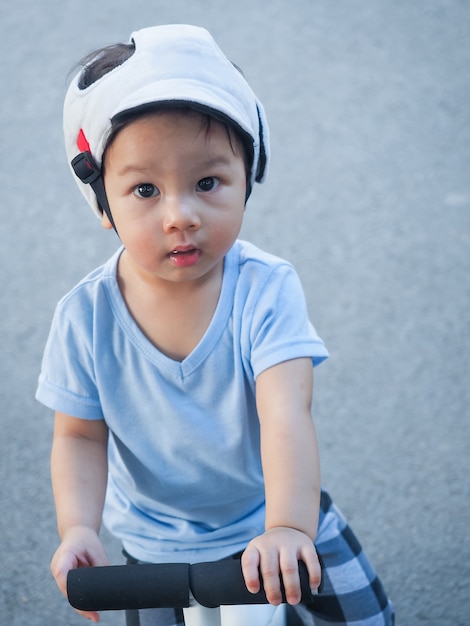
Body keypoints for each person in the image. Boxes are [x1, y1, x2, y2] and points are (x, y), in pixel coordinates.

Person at [36, 24, 394, 626]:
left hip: (268, 511)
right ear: (103, 204)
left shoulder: (266, 289)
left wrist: (286, 526)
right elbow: (78, 436)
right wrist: (78, 526)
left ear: (247, 176)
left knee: (367, 617)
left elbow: (286, 414)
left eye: (208, 182)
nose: (181, 216)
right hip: (156, 543)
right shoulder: (85, 315)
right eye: (145, 189)